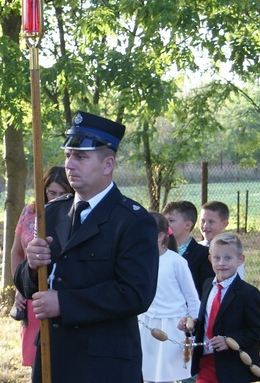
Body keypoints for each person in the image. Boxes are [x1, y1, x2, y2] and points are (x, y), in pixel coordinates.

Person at [14, 110, 159, 383]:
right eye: (68, 155)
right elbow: (27, 286)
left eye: (80, 157)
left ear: (107, 165)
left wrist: (64, 303)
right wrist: (31, 267)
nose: (69, 164)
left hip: (103, 366)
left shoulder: (132, 220)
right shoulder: (52, 213)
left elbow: (135, 293)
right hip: (52, 357)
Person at [178, 232, 260, 383]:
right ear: (210, 259)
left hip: (233, 367)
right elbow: (208, 320)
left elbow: (257, 329)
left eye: (228, 258)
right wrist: (190, 328)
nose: (221, 263)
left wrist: (229, 341)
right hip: (206, 361)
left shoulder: (248, 293)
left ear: (240, 259)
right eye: (217, 258)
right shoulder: (207, 285)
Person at [10, 166, 73, 367]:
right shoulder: (30, 212)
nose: (55, 198)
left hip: (59, 295)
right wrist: (19, 288)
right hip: (33, 291)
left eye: (62, 194)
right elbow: (17, 252)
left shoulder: (73, 215)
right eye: (51, 192)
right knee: (34, 357)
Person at [139, 212, 201, 383]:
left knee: (165, 377)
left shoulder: (176, 261)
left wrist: (194, 329)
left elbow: (192, 298)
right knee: (146, 374)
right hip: (146, 325)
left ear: (160, 236)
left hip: (173, 327)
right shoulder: (138, 260)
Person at [164, 200, 213, 295]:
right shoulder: (160, 252)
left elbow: (204, 291)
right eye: (164, 221)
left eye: (171, 221)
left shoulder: (203, 255)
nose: (165, 225)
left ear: (188, 225)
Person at [199, 201, 244, 278]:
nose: (205, 226)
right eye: (202, 221)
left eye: (211, 222)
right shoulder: (197, 247)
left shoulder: (231, 249)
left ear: (224, 224)